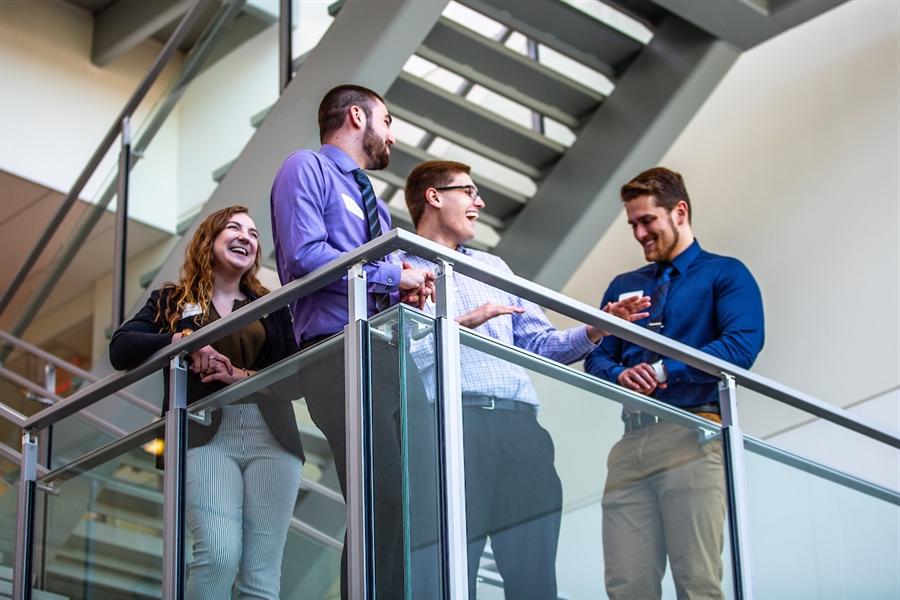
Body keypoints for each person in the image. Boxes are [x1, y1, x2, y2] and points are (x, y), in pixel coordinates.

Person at [400, 160, 651, 599]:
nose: (479, 202)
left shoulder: (493, 267)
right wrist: (461, 325)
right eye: (469, 191)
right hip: (450, 430)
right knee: (448, 576)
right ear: (434, 197)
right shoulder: (395, 266)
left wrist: (597, 327)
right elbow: (397, 354)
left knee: (534, 581)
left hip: (522, 433)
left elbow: (540, 343)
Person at [270, 84, 435, 599]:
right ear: (358, 116)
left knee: (410, 499)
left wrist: (403, 291)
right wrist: (391, 277)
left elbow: (378, 278)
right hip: (337, 352)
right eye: (388, 121)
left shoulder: (379, 210)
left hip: (388, 349)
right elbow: (302, 258)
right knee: (379, 497)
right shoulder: (306, 168)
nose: (392, 135)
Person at [584, 167, 765, 600]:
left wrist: (663, 371)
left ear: (679, 211)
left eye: (648, 221)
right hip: (631, 446)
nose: (640, 233)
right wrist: (620, 374)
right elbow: (597, 356)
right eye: (633, 225)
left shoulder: (725, 274)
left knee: (697, 581)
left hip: (695, 435)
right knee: (626, 585)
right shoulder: (624, 286)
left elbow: (741, 346)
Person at [109, 206, 304, 600]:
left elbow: (297, 378)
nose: (246, 237)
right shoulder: (173, 300)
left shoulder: (273, 305)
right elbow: (121, 349)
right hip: (204, 436)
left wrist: (239, 377)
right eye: (234, 228)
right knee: (217, 555)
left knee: (261, 576)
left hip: (274, 441)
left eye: (253, 234)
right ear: (209, 240)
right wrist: (182, 342)